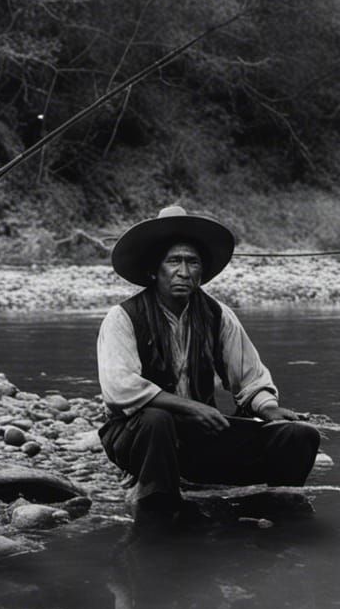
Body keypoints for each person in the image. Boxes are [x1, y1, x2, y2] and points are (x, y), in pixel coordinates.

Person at [96, 205, 321, 529]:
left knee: (297, 436)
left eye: (193, 262)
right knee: (157, 420)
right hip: (140, 438)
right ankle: (157, 512)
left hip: (200, 437)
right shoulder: (123, 317)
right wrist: (188, 407)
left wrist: (269, 408)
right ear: (154, 270)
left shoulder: (218, 315)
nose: (184, 272)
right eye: (174, 261)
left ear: (201, 272)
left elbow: (249, 376)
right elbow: (119, 388)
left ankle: (275, 513)